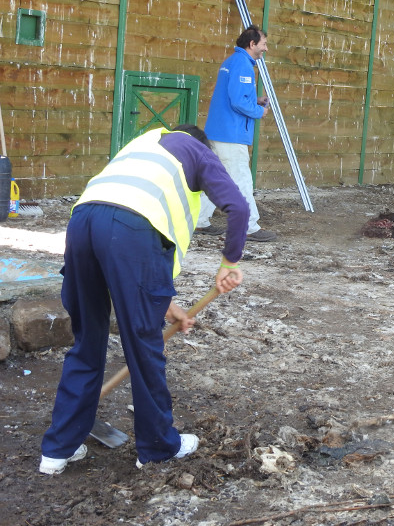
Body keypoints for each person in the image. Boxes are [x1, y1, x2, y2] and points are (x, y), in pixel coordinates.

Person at [39, 125, 248, 475]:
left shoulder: (143, 147)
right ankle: (157, 446)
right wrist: (229, 263)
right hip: (131, 229)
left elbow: (125, 263)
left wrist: (168, 307)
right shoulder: (195, 149)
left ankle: (58, 450)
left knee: (86, 342)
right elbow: (238, 208)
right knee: (143, 345)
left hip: (83, 222)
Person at [196, 25, 277, 243]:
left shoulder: (231, 61)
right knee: (241, 180)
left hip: (217, 131)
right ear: (252, 44)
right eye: (264, 44)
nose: (265, 49)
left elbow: (233, 96)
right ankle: (249, 227)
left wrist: (255, 100)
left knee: (212, 179)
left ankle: (198, 221)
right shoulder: (243, 65)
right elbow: (239, 101)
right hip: (231, 135)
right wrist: (260, 110)